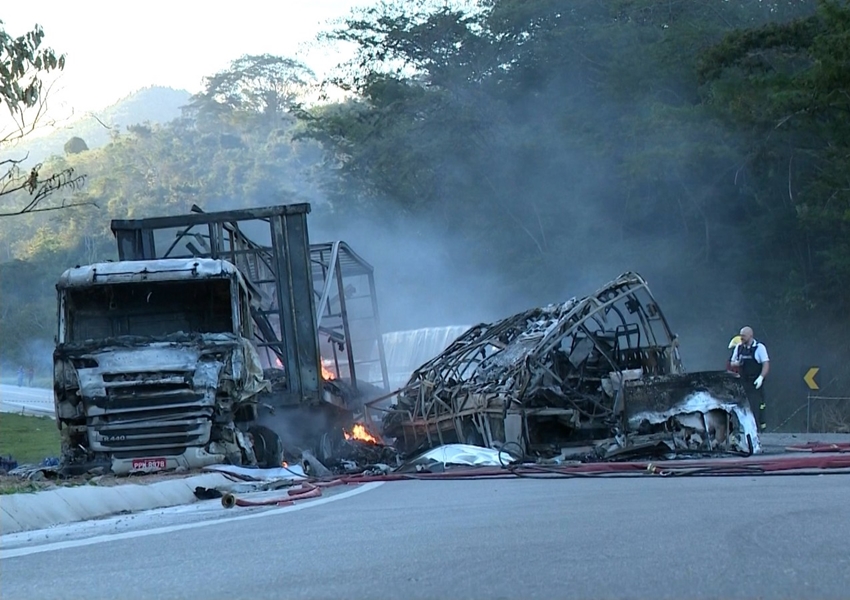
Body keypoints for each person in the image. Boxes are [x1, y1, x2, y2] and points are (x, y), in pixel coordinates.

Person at [729, 326, 770, 431]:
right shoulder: (738, 348)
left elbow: (766, 364)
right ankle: (741, 429)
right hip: (742, 382)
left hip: (755, 382)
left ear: (750, 335)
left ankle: (756, 429)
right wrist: (736, 364)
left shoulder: (759, 348)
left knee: (755, 406)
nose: (741, 337)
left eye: (744, 335)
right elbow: (732, 362)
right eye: (741, 335)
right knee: (740, 406)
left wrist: (761, 377)